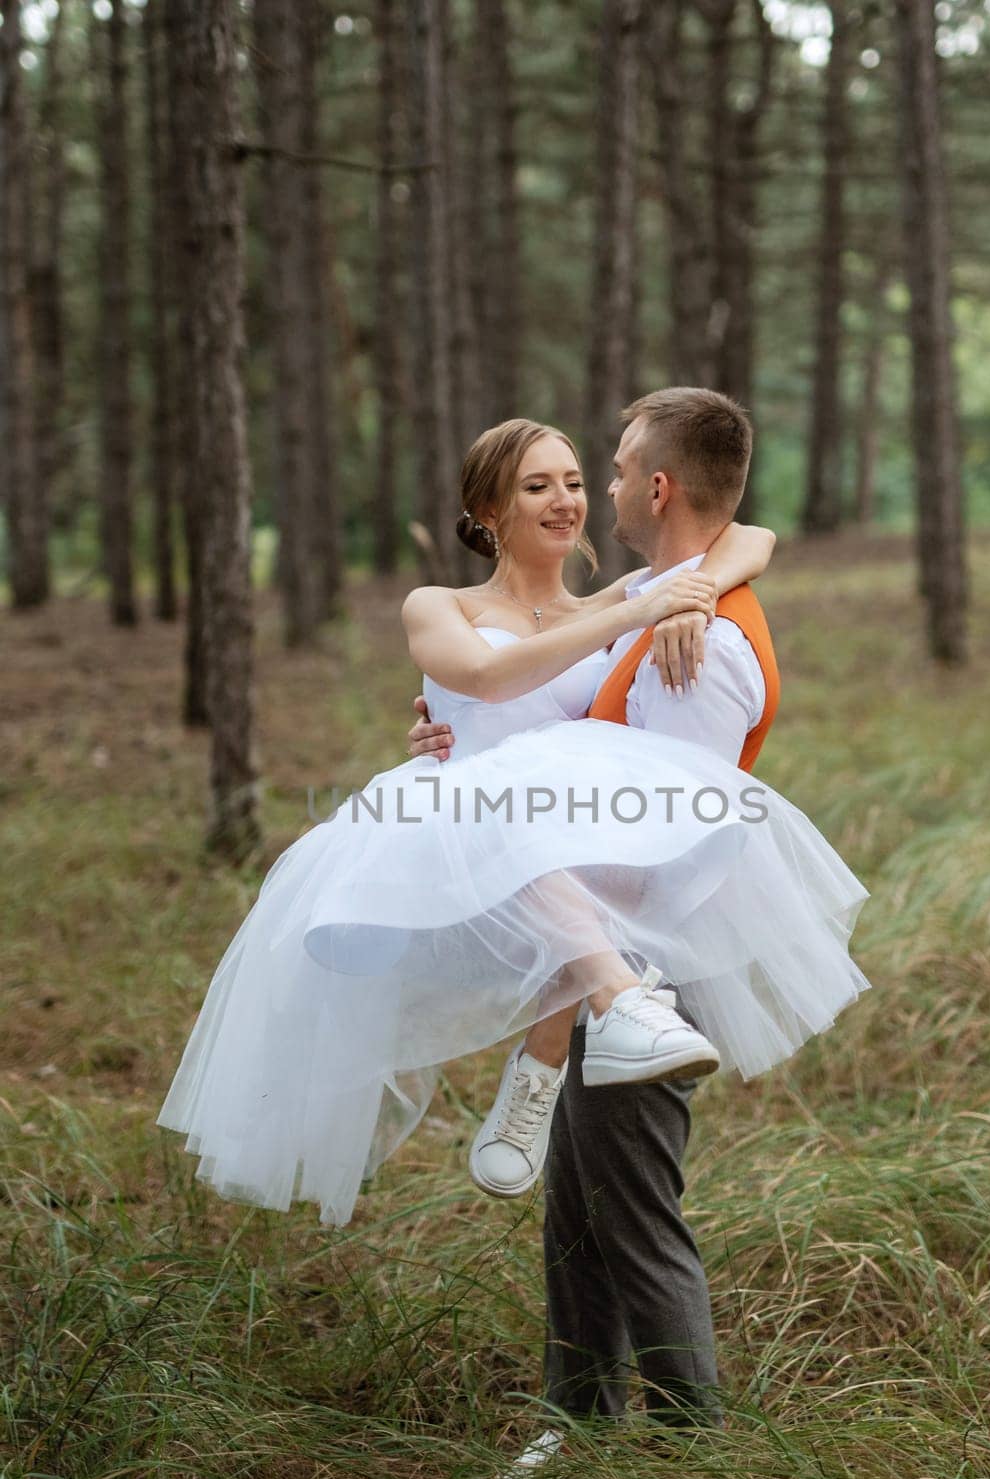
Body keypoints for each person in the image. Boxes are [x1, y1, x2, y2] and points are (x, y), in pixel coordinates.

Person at [158, 399, 867, 1246]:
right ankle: (587, 1025)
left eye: (577, 480)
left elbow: (751, 539)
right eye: (539, 486)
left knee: (533, 829)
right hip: (458, 839)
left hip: (563, 862)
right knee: (490, 804)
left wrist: (695, 591)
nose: (570, 498)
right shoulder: (444, 604)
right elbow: (487, 685)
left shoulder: (613, 605)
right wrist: (644, 609)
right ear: (489, 513)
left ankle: (546, 1059)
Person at [405, 388, 870, 1467]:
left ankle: (689, 1460)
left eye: (605, 470)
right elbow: (740, 535)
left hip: (652, 964)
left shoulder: (692, 647)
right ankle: (575, 1431)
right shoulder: (666, 603)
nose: (592, 490)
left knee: (636, 1215)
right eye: (549, 481)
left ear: (654, 488)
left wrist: (537, 863)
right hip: (610, 959)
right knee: (582, 1205)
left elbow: (679, 845)